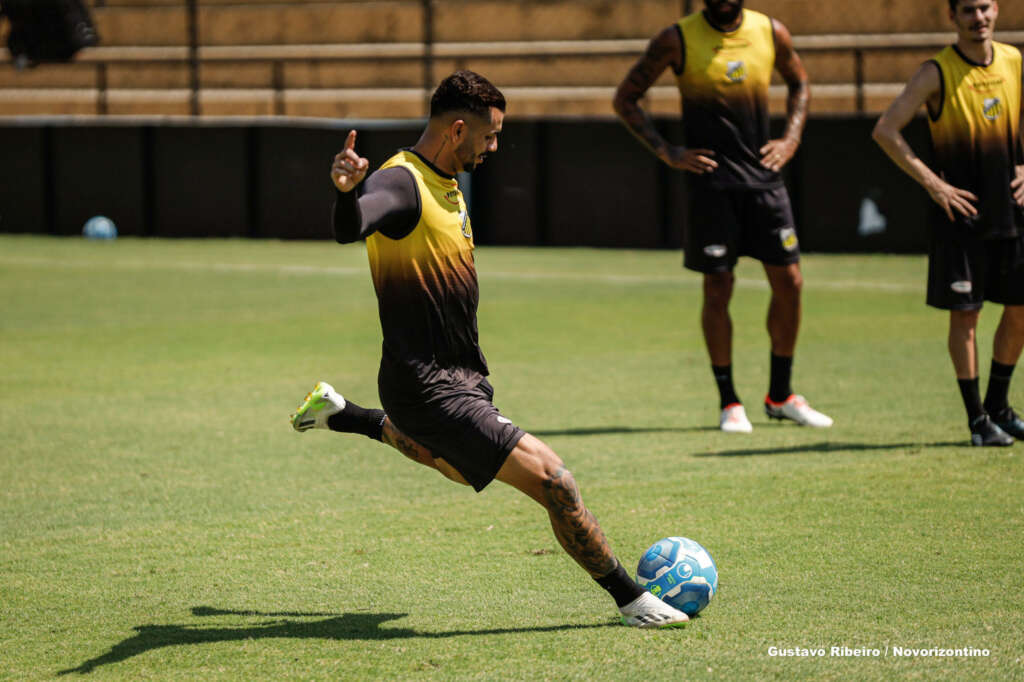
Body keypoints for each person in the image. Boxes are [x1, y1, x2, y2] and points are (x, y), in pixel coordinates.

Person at [290, 70, 689, 628]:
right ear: (458, 130)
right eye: (490, 135)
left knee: (456, 468)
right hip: (428, 386)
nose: (494, 147)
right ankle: (631, 599)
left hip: (459, 376)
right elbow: (353, 224)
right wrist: (343, 192)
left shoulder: (445, 179)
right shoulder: (402, 183)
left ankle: (346, 415)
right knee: (554, 480)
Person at [613, 0, 832, 433]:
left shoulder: (771, 32)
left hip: (765, 183)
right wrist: (667, 151)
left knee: (790, 283)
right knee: (718, 287)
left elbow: (800, 83)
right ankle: (729, 402)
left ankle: (781, 395)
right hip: (711, 185)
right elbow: (626, 98)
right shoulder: (676, 38)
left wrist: (789, 140)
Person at [873, 0, 1024, 446]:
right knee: (967, 318)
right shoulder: (935, 73)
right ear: (951, 17)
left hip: (1012, 214)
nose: (978, 19)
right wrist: (934, 185)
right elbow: (885, 130)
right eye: (968, 11)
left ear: (996, 10)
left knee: (1019, 312)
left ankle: (1000, 407)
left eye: (984, 8)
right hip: (961, 219)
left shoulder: (1015, 61)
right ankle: (977, 419)